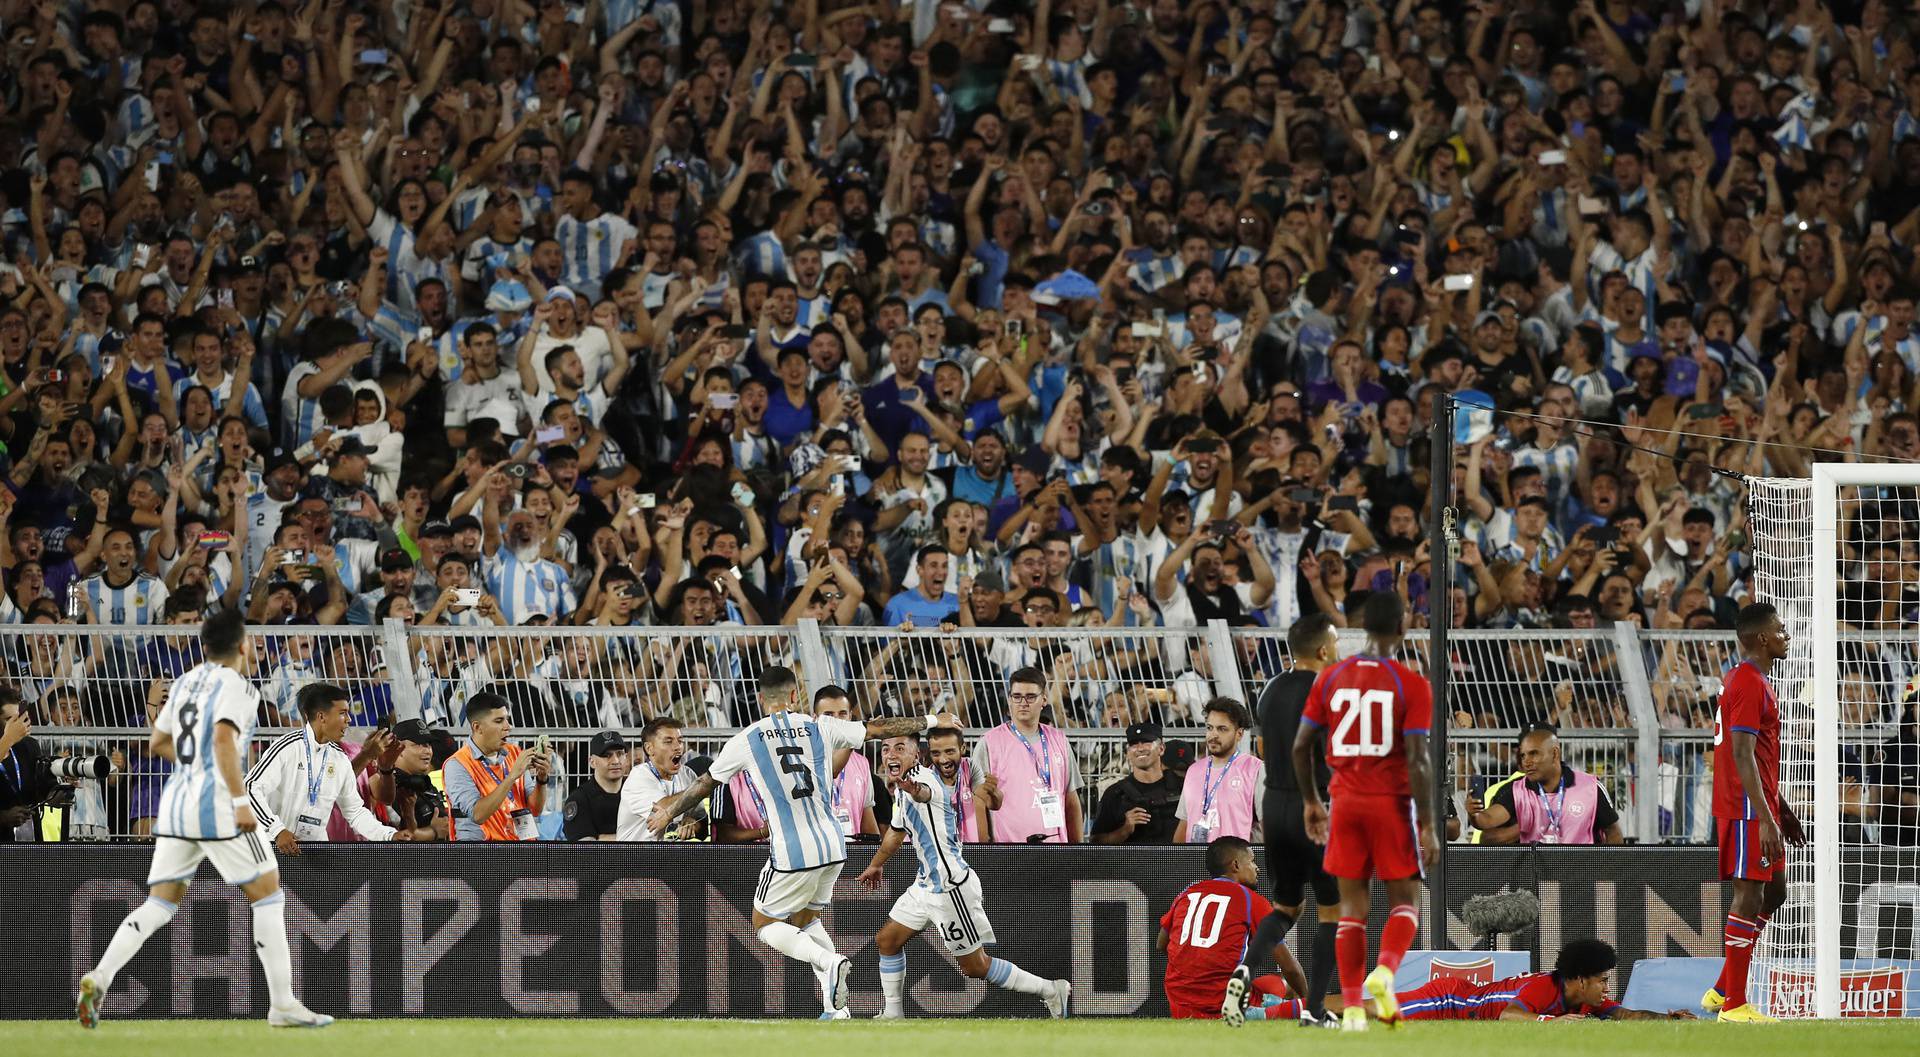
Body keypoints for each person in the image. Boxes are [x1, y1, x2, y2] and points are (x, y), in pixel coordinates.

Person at [646, 666, 960, 1018]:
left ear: (762, 699)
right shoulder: (820, 726)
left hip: (792, 851)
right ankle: (836, 1009)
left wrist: (669, 811)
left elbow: (706, 782)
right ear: (796, 696)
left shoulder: (747, 739)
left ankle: (829, 959)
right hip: (834, 846)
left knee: (764, 925)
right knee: (806, 921)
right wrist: (932, 719)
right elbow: (878, 728)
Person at [75, 608, 331, 1029]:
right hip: (217, 805)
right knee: (269, 895)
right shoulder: (240, 688)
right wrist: (238, 799)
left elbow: (157, 741)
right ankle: (283, 1004)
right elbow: (223, 742)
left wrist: (195, 766)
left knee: (159, 902)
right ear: (243, 645)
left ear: (204, 646)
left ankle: (100, 977)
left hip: (176, 803)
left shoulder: (185, 683)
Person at [1291, 592, 1437, 1031]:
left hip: (1345, 803)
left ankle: (1353, 1009)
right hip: (1390, 804)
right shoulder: (1411, 683)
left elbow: (1301, 747)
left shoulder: (1331, 677)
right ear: (1402, 628)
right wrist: (1428, 823)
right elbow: (1419, 759)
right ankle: (1385, 973)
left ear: (1361, 627)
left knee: (1351, 908)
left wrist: (1313, 802)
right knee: (1406, 902)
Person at [856, 733, 1071, 1019]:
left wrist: (913, 789)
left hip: (949, 886)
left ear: (916, 754)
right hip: (925, 885)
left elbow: (924, 792)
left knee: (975, 967)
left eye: (899, 748)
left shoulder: (925, 780)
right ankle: (893, 1013)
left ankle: (1051, 989)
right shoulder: (900, 791)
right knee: (887, 941)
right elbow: (896, 831)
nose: (890, 754)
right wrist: (876, 864)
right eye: (885, 748)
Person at [1229, 613, 1343, 1025]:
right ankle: (1314, 1010)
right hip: (1313, 805)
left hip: (1273, 806)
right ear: (1321, 649)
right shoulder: (1329, 688)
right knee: (1332, 911)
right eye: (1334, 642)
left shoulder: (1271, 689)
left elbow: (1263, 744)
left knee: (1285, 907)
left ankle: (1244, 968)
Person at [1702, 603, 1806, 1022]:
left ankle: (1723, 988)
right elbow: (1740, 753)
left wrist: (1780, 809)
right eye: (1781, 630)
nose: (1786, 636)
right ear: (1762, 638)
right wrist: (1764, 816)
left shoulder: (1749, 679)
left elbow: (1755, 756)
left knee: (1775, 891)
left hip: (1758, 804)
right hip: (1745, 808)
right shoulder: (1748, 681)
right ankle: (1735, 1006)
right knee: (1748, 896)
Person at [1159, 836, 1309, 1022]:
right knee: (1331, 1000)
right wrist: (1305, 1001)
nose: (1257, 868)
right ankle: (1272, 1011)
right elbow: (1290, 967)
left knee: (1280, 982)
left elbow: (1161, 943)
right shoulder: (1251, 900)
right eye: (1252, 861)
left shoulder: (1187, 893)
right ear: (1236, 865)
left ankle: (1271, 1004)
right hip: (1223, 1003)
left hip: (1180, 1006)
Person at [246, 683, 399, 852]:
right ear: (321, 717)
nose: (349, 719)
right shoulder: (288, 747)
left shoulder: (340, 759)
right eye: (343, 713)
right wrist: (276, 830)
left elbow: (355, 812)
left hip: (315, 853)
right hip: (275, 848)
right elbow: (250, 787)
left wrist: (389, 834)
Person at [1391, 939, 1694, 1021]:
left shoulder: (1585, 1002)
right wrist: (1552, 1022)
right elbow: (1510, 1015)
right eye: (1601, 981)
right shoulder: (1544, 987)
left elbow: (1627, 1015)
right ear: (1579, 980)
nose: (1606, 988)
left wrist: (1671, 1020)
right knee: (1374, 1008)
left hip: (1461, 1008)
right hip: (1452, 1001)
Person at [973, 667, 1082, 843]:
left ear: (1044, 699)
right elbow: (976, 801)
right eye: (1017, 696)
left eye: (1031, 697)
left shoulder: (1059, 740)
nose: (1023, 702)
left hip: (1055, 850)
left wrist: (1079, 852)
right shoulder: (989, 742)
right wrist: (984, 850)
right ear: (1009, 700)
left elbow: (1071, 800)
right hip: (1008, 852)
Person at [1469, 726, 1623, 845]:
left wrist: (1606, 870)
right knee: (1549, 887)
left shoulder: (1589, 787)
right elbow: (1486, 821)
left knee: (1606, 886)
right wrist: (1474, 813)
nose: (1526, 762)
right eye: (1523, 755)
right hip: (1538, 877)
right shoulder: (1517, 790)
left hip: (1583, 875)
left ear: (1555, 754)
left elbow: (1613, 832)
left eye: (1534, 754)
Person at [443, 692, 552, 841]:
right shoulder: (457, 765)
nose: (508, 727)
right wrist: (512, 776)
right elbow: (477, 815)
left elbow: (535, 810)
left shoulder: (514, 753)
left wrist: (542, 778)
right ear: (477, 727)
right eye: (499, 720)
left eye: (507, 719)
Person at [1173, 697, 1263, 844]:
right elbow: (1184, 824)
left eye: (1222, 729)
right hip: (1195, 863)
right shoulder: (1194, 770)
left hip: (1235, 864)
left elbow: (1270, 828)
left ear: (1239, 734)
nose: (1213, 735)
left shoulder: (1256, 769)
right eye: (1210, 728)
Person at [1091, 722, 1182, 844]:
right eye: (1134, 744)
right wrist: (1125, 830)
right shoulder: (1115, 794)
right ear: (1128, 753)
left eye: (1146, 742)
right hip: (1132, 862)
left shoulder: (1183, 788)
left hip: (1177, 861)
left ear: (1161, 748)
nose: (1140, 748)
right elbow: (1096, 841)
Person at [615, 718, 703, 842]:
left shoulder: (687, 774)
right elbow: (666, 808)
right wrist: (701, 788)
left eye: (680, 741)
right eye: (668, 741)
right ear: (649, 748)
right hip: (634, 857)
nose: (678, 747)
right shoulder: (638, 777)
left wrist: (692, 822)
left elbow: (701, 817)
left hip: (668, 857)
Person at [816, 687, 878, 838]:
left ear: (850, 716)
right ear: (815, 719)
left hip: (852, 857)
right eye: (828, 715)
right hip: (818, 855)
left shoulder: (862, 763)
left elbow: (867, 820)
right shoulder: (806, 759)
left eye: (842, 714)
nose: (837, 721)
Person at [562, 731, 629, 842]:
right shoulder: (579, 799)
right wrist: (633, 837)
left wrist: (602, 838)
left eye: (620, 754)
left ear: (626, 757)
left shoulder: (637, 792)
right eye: (607, 755)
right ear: (592, 762)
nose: (615, 761)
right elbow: (587, 848)